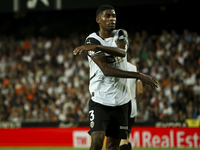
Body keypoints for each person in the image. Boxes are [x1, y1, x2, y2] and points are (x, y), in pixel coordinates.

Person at [73, 5, 158, 150]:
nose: (112, 19)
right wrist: (137, 75)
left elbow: (121, 52)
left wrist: (98, 48)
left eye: (114, 16)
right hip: (100, 100)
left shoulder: (120, 33)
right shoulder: (91, 40)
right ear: (98, 19)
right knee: (97, 143)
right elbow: (106, 69)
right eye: (107, 16)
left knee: (113, 147)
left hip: (121, 102)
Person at [119, 62, 143, 150]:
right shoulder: (133, 68)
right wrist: (135, 100)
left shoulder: (115, 66)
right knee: (126, 137)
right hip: (133, 106)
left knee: (122, 139)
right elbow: (140, 90)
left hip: (121, 106)